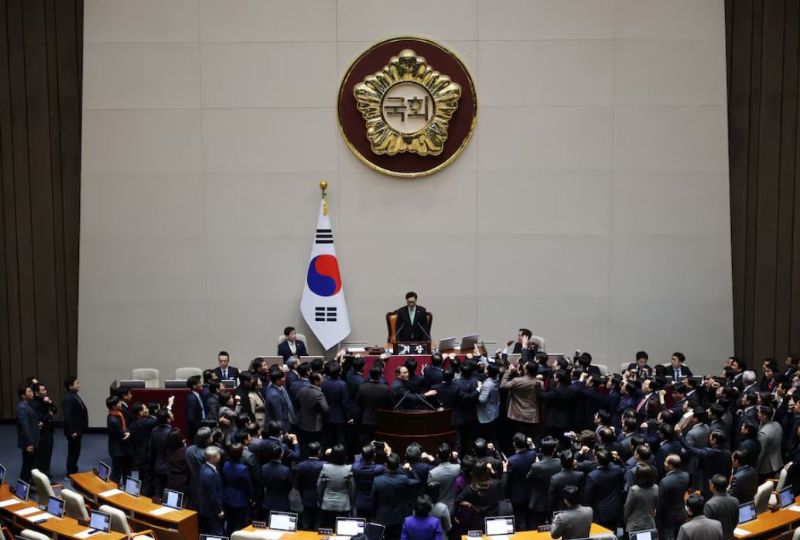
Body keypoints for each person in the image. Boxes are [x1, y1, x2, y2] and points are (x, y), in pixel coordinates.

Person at [373, 453, 422, 540]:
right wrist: (411, 470)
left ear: (385, 465)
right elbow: (418, 482)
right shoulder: (403, 479)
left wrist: (375, 515)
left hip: (382, 517)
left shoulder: (377, 480)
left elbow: (373, 501)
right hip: (399, 518)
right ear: (398, 466)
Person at [583, 447, 624, 531]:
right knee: (615, 532)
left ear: (597, 460)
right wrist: (619, 460)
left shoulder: (592, 476)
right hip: (616, 509)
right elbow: (624, 471)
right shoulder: (617, 469)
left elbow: (588, 498)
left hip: (601, 514)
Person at [499, 353, 540, 437]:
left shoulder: (517, 381)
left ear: (526, 370)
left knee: (517, 437)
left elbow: (503, 385)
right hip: (531, 414)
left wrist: (508, 372)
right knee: (529, 437)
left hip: (517, 414)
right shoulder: (538, 382)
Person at [317, 444, 355, 527]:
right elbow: (352, 488)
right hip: (343, 505)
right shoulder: (349, 468)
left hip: (327, 503)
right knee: (341, 530)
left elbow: (319, 486)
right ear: (344, 456)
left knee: (327, 530)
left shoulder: (325, 467)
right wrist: (352, 503)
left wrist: (320, 500)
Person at [527, 436, 561, 526]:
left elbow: (528, 479)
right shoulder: (560, 462)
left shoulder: (536, 466)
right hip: (556, 501)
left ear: (541, 450)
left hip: (539, 502)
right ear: (554, 450)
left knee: (539, 527)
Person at [222, 443, 254, 535]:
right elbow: (248, 485)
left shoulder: (225, 464)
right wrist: (252, 498)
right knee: (239, 524)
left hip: (227, 497)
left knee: (229, 523)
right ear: (241, 454)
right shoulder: (243, 468)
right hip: (240, 499)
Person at [507, 433, 536, 529]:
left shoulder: (511, 460)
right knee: (531, 520)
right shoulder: (533, 455)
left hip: (517, 495)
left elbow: (509, 480)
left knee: (520, 521)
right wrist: (531, 444)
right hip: (531, 493)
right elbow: (533, 449)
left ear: (514, 444)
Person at [657, 454, 690, 540]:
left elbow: (661, 503)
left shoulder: (665, 481)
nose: (664, 463)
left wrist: (658, 519)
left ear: (671, 466)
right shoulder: (686, 476)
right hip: (682, 512)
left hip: (668, 516)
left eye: (665, 462)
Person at [356, 367, 392, 444]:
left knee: (367, 443)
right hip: (380, 420)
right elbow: (389, 405)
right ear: (380, 375)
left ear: (370, 375)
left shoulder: (362, 387)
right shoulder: (385, 388)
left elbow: (358, 403)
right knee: (379, 442)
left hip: (366, 419)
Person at [296, 372, 329, 453]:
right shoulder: (319, 394)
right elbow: (325, 409)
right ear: (316, 381)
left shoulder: (302, 390)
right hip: (315, 425)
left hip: (303, 423)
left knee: (305, 446)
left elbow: (296, 402)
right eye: (321, 378)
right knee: (316, 447)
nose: (323, 380)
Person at [62, 376, 88, 475]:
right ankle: (70, 472)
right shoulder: (68, 398)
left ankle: (73, 469)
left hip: (78, 429)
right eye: (76, 383)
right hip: (73, 430)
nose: (79, 385)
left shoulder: (74, 395)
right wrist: (72, 431)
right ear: (70, 386)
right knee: (73, 451)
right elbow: (67, 417)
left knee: (76, 451)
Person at [297, 441, 326, 530]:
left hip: (306, 495)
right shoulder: (324, 465)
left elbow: (299, 483)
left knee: (306, 524)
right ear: (319, 452)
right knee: (318, 524)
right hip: (320, 497)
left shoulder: (301, 465)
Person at [623, 463, 658, 535]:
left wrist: (625, 520)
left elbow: (627, 508)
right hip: (650, 523)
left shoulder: (634, 490)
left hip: (635, 524)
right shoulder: (656, 488)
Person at [353, 444, 386, 518]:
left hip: (360, 501)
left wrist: (367, 449)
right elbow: (389, 465)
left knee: (360, 523)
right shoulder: (379, 469)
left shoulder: (355, 468)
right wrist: (389, 453)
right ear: (374, 456)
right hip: (373, 502)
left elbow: (357, 457)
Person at [198, 446, 225, 536]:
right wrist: (219, 510)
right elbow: (213, 495)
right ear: (212, 458)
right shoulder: (211, 474)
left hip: (205, 506)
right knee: (218, 532)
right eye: (218, 455)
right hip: (212, 510)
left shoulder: (203, 467)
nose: (220, 456)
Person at [15, 384, 39, 483]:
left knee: (29, 465)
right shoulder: (22, 407)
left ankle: (26, 486)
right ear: (23, 395)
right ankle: (22, 488)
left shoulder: (27, 405)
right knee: (26, 466)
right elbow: (24, 427)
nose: (32, 393)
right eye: (29, 392)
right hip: (28, 443)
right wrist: (30, 443)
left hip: (31, 440)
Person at [704, 474, 739, 540]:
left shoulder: (710, 505)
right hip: (730, 537)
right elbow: (736, 521)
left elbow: (707, 528)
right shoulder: (735, 501)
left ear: (712, 486)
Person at [106, 395, 131, 484]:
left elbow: (124, 426)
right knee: (117, 474)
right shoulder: (113, 419)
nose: (120, 404)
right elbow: (122, 435)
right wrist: (128, 434)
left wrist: (127, 431)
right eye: (118, 403)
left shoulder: (116, 414)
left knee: (125, 471)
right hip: (118, 450)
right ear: (113, 406)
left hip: (119, 448)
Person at [262, 443, 293, 514]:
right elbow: (289, 486)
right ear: (281, 455)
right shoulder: (286, 470)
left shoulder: (263, 467)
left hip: (268, 501)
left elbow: (263, 482)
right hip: (282, 501)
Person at [264, 368, 296, 433]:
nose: (285, 378)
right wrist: (285, 431)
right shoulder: (274, 395)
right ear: (278, 381)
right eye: (283, 377)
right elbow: (278, 416)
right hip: (278, 428)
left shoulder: (275, 388)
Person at [186, 375, 206, 441]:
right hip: (196, 431)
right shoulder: (192, 398)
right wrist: (199, 428)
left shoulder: (197, 394)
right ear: (194, 386)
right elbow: (191, 417)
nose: (201, 384)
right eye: (199, 383)